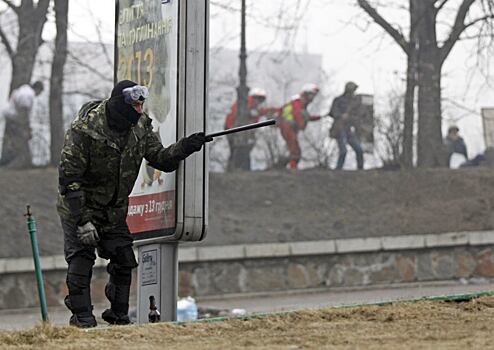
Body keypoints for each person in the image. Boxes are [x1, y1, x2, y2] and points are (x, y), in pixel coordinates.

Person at [57, 80, 211, 328]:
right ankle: (82, 316)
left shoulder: (140, 126)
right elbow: (69, 178)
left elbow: (161, 159)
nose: (139, 110)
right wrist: (82, 220)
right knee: (81, 258)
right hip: (80, 205)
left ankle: (118, 316)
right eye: (135, 105)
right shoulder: (84, 129)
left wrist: (186, 147)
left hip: (114, 210)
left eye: (142, 105)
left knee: (124, 258)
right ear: (119, 103)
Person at [224, 88, 278, 169]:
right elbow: (246, 115)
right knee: (238, 148)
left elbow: (259, 113)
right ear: (255, 97)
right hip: (233, 128)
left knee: (237, 149)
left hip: (234, 128)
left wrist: (275, 110)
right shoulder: (247, 103)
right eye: (259, 99)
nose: (260, 101)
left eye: (261, 100)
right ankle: (236, 168)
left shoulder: (252, 106)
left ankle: (234, 168)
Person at [0, 81, 44, 167]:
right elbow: (24, 111)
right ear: (38, 89)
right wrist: (26, 127)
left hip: (11, 117)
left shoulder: (23, 89)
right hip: (14, 119)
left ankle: (10, 161)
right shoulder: (28, 94)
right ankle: (8, 162)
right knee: (18, 142)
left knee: (14, 141)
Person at [277, 83, 321, 170]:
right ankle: (292, 168)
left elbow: (306, 117)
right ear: (306, 93)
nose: (313, 98)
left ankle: (287, 166)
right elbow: (298, 114)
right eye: (311, 95)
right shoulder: (298, 102)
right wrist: (301, 125)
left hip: (290, 127)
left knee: (293, 149)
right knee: (295, 149)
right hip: (288, 127)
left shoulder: (301, 104)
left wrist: (320, 117)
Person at [329, 81, 364, 170]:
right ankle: (338, 169)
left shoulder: (355, 102)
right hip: (339, 128)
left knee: (359, 150)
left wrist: (352, 120)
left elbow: (358, 115)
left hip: (349, 129)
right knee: (343, 151)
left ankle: (360, 169)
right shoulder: (338, 100)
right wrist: (341, 115)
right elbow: (333, 112)